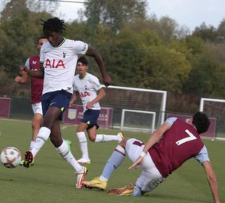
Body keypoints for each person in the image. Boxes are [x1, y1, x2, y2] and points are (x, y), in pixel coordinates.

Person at [22, 17, 111, 189]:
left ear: (60, 32)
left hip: (62, 93)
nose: (50, 39)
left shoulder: (74, 45)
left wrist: (105, 74)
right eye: (47, 36)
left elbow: (96, 54)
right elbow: (42, 72)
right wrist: (29, 73)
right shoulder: (46, 48)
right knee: (56, 139)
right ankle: (79, 170)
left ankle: (31, 153)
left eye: (52, 35)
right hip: (46, 94)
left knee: (46, 121)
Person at [83, 112, 221, 203]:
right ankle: (134, 190)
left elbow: (158, 133)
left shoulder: (175, 121)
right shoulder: (201, 147)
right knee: (140, 190)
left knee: (124, 141)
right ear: (202, 132)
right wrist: (217, 201)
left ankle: (102, 180)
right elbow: (211, 175)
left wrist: (142, 153)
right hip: (159, 174)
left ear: (191, 119)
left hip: (148, 158)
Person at [69, 56, 123, 164]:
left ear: (86, 67)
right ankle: (118, 138)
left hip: (93, 109)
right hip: (87, 110)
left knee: (79, 130)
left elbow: (103, 93)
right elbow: (76, 94)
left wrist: (91, 103)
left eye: (82, 65)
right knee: (93, 137)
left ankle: (85, 157)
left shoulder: (92, 79)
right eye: (78, 65)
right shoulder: (74, 79)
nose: (80, 67)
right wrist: (71, 102)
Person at [15, 37, 48, 165]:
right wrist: (20, 79)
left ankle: (31, 154)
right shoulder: (30, 61)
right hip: (34, 99)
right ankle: (63, 142)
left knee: (35, 124)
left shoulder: (51, 61)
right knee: (48, 129)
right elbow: (25, 79)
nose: (41, 46)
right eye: (40, 44)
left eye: (44, 44)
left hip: (46, 99)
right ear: (37, 46)